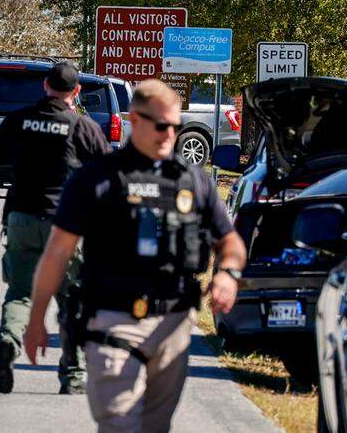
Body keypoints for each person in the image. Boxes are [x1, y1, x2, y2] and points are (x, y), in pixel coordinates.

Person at [24, 79, 247, 431]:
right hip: (112, 319)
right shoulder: (96, 179)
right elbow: (57, 253)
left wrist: (227, 274)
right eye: (161, 125)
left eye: (176, 126)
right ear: (135, 120)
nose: (169, 134)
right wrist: (36, 319)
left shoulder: (193, 181)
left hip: (173, 324)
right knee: (119, 422)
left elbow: (230, 243)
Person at [0, 61, 111, 396]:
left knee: (21, 293)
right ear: (77, 91)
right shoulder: (80, 126)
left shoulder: (20, 119)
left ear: (45, 86)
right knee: (71, 300)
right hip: (65, 227)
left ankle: (8, 342)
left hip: (22, 219)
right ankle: (72, 377)